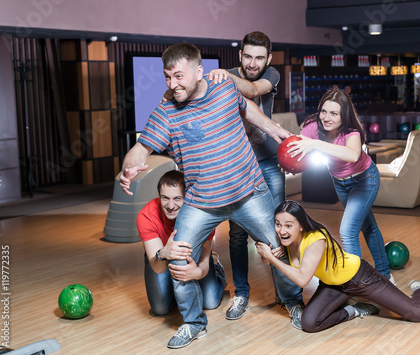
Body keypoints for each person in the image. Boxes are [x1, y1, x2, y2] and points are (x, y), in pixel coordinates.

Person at [120, 43, 303, 349]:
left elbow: (248, 108)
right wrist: (128, 168)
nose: (172, 84)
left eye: (178, 76)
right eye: (167, 77)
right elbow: (141, 148)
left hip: (249, 193)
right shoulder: (166, 112)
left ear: (199, 71)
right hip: (202, 203)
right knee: (178, 257)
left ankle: (291, 302)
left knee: (278, 248)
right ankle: (193, 323)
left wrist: (273, 129)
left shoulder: (223, 88)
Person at [256, 200, 420, 332]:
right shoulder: (289, 241)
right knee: (309, 323)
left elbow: (302, 279)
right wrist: (269, 255)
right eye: (278, 224)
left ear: (300, 225)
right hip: (333, 286)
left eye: (288, 225)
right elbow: (268, 261)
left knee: (417, 314)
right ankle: (355, 309)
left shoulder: (317, 239)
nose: (281, 230)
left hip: (360, 278)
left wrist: (271, 258)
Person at [208, 31, 285, 320]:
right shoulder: (222, 76)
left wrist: (222, 76)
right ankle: (241, 294)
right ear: (240, 54)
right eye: (248, 56)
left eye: (259, 58)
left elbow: (252, 91)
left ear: (269, 59)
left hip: (267, 163)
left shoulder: (271, 75)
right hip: (237, 167)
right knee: (238, 235)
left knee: (279, 231)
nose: (253, 63)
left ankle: (286, 294)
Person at [287, 88, 395, 284]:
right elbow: (301, 152)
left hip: (365, 180)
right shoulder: (312, 127)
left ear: (343, 115)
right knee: (368, 226)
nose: (327, 118)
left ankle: (357, 284)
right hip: (340, 183)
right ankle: (385, 275)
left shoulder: (352, 132)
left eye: (334, 113)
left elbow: (353, 155)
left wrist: (315, 145)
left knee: (347, 231)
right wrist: (291, 164)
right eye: (323, 111)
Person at [137, 170, 226, 317]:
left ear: (187, 197)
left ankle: (217, 269)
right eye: (165, 198)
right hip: (160, 256)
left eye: (177, 198)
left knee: (210, 303)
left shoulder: (203, 213)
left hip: (193, 255)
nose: (170, 205)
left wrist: (199, 272)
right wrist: (163, 254)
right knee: (160, 309)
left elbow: (203, 260)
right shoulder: (146, 215)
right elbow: (157, 267)